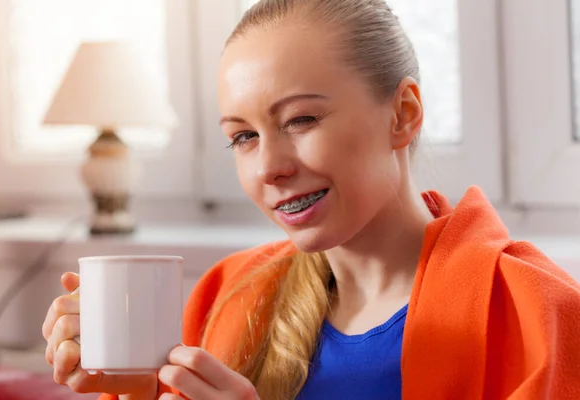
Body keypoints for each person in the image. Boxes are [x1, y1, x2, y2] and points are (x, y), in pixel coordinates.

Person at [42, 0, 580, 399]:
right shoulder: (222, 298)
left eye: (300, 120)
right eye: (244, 136)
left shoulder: (538, 314)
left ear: (403, 114)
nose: (269, 167)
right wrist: (125, 383)